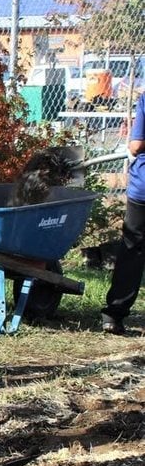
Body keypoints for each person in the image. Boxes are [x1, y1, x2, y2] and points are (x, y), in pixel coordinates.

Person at [100, 91, 145, 334]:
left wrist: (131, 146)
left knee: (132, 248)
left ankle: (114, 315)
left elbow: (136, 145)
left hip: (143, 190)